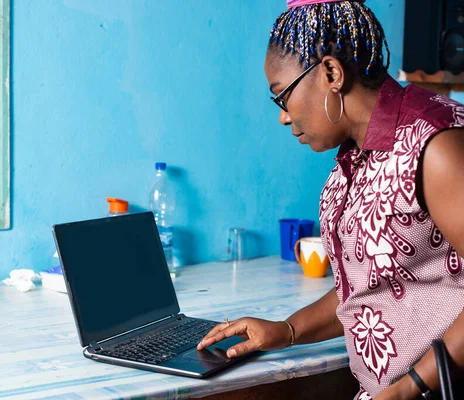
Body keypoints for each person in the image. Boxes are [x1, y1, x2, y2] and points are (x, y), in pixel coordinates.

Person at [197, 1, 464, 399]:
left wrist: (409, 389)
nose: (283, 117)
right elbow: (368, 285)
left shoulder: (435, 144)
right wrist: (286, 330)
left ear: (331, 73)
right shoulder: (354, 154)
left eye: (281, 96)